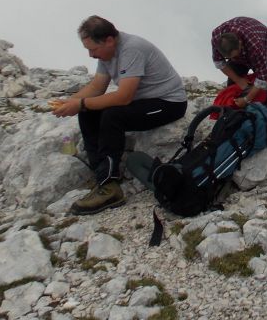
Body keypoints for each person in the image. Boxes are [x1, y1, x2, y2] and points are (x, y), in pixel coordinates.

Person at [52, 16, 188, 215]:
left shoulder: (132, 49)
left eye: (93, 49)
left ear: (109, 40)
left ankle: (110, 189)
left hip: (168, 103)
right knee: (88, 112)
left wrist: (80, 103)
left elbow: (124, 97)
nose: (91, 55)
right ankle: (102, 174)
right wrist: (71, 103)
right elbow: (97, 86)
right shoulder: (107, 54)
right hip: (144, 101)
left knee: (112, 116)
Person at [211, 17, 267, 109]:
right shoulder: (217, 37)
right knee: (233, 79)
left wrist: (246, 99)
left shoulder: (256, 47)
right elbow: (219, 62)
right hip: (245, 41)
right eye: (229, 58)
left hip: (265, 42)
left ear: (240, 43)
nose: (233, 59)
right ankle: (234, 109)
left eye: (235, 56)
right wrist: (238, 80)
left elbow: (263, 77)